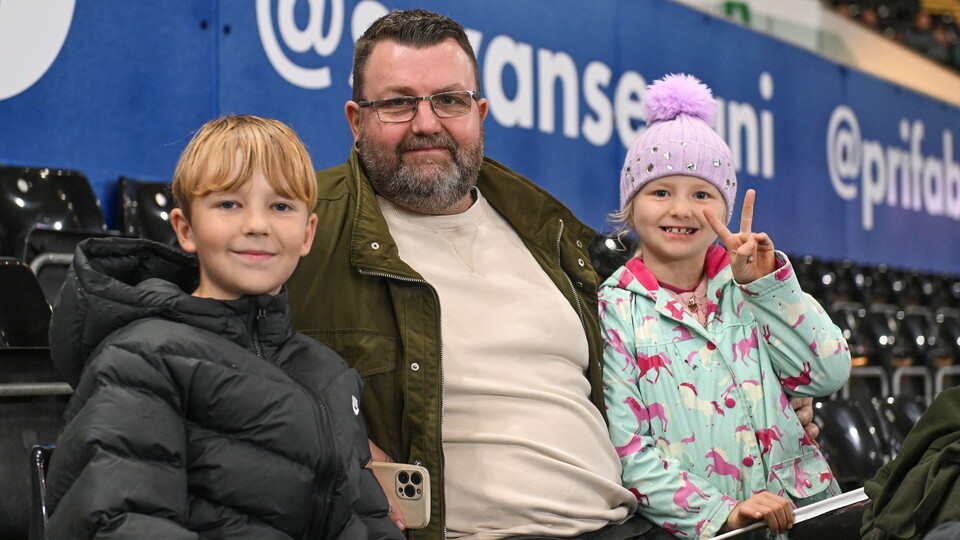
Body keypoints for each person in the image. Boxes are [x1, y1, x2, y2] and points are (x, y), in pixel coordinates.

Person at [286, 9, 821, 539]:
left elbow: (647, 389)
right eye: (398, 103)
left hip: (628, 524)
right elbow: (234, 351)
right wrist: (349, 444)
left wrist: (760, 410)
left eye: (449, 100)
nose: (427, 123)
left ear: (480, 112)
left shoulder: (546, 229)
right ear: (356, 119)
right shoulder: (307, 225)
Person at [44, 115, 403, 539]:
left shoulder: (329, 374)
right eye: (229, 204)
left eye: (281, 206)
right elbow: (118, 522)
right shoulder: (141, 359)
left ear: (307, 234)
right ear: (185, 229)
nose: (256, 224)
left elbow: (365, 523)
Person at [599, 74, 852, 539]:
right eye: (660, 192)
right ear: (630, 206)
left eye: (702, 195)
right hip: (709, 530)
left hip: (805, 516)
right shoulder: (614, 310)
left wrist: (768, 287)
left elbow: (828, 372)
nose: (682, 210)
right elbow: (629, 452)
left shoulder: (753, 286)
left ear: (725, 207)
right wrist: (725, 513)